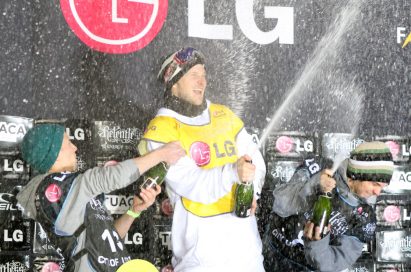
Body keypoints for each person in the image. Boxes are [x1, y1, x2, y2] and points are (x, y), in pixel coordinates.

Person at [138, 47, 266, 272]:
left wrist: (252, 191)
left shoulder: (223, 114)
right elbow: (192, 183)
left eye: (204, 75)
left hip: (247, 253)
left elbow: (256, 160)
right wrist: (233, 173)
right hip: (202, 259)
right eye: (194, 75)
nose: (202, 82)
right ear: (174, 82)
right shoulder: (162, 129)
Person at [16, 124, 185, 272]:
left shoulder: (72, 195)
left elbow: (104, 242)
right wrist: (161, 154)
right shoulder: (54, 189)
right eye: (68, 143)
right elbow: (111, 177)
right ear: (55, 153)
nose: (75, 148)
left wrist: (132, 212)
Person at [262, 141, 394, 271]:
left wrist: (316, 244)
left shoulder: (365, 217)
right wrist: (313, 186)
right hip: (267, 252)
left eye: (383, 187)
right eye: (375, 184)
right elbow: (280, 204)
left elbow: (331, 264)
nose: (378, 192)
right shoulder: (319, 168)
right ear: (357, 174)